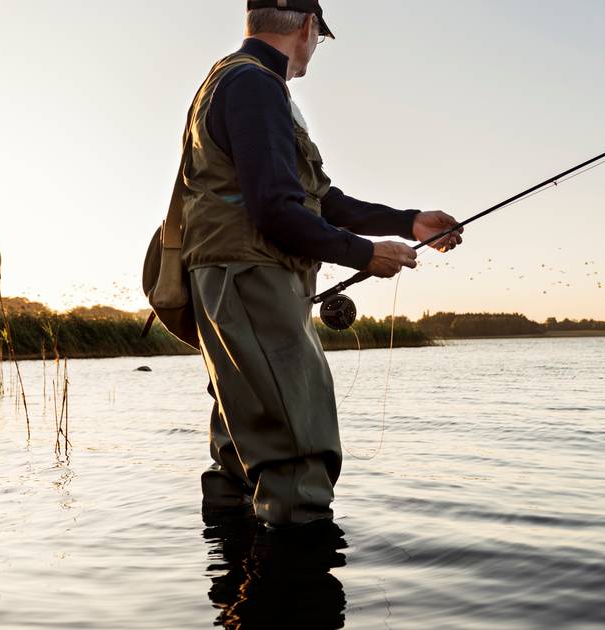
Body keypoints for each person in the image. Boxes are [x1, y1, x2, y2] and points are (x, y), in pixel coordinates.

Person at [181, 0, 463, 528]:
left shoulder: (231, 81)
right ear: (309, 28)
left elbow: (320, 199)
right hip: (252, 282)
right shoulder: (256, 86)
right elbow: (274, 210)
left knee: (239, 450)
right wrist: (365, 254)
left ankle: (236, 589)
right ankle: (295, 601)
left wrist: (409, 222)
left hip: (230, 281)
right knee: (296, 450)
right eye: (320, 37)